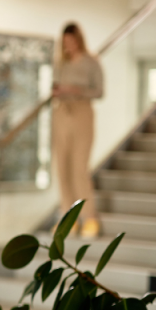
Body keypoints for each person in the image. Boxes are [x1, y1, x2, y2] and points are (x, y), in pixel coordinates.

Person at [52, 22, 103, 237]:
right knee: (62, 167)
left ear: (78, 40)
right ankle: (68, 218)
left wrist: (75, 89)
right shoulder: (61, 63)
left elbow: (100, 91)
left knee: (79, 168)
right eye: (65, 43)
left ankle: (89, 218)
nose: (68, 46)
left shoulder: (92, 63)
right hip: (62, 112)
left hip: (82, 112)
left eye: (71, 42)